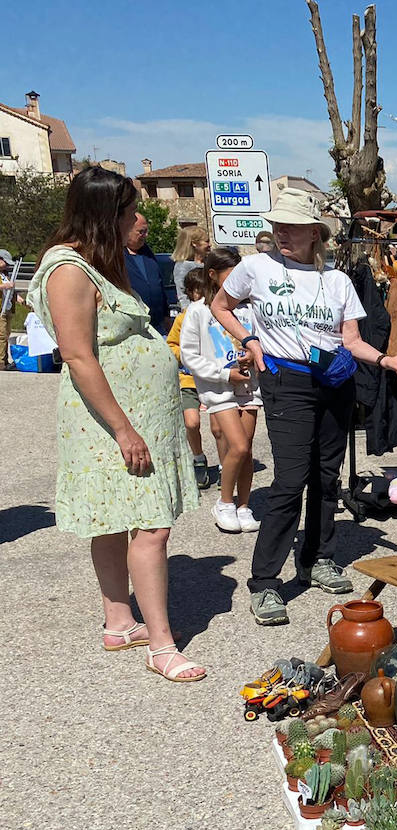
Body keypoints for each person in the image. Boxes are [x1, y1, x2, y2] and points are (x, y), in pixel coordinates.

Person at [210, 188, 397, 626]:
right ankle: (265, 582)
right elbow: (220, 305)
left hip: (335, 381)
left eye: (293, 227)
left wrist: (386, 360)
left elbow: (351, 340)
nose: (282, 233)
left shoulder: (339, 280)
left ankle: (317, 558)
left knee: (327, 476)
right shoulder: (255, 268)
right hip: (287, 381)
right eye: (278, 226)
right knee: (290, 480)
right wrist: (249, 340)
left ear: (314, 234)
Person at [26, 167, 203, 681]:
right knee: (151, 526)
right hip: (112, 422)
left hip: (131, 416)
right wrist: (125, 429)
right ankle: (162, 644)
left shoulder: (96, 263)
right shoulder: (68, 270)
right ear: (106, 213)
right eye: (128, 209)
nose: (137, 218)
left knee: (111, 519)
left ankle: (119, 622)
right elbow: (79, 357)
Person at [180, 257, 261, 533]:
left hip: (250, 386)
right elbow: (189, 356)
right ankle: (225, 502)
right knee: (236, 445)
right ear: (213, 275)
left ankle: (244, 505)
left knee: (246, 449)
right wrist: (225, 374)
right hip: (219, 389)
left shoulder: (249, 309)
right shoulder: (198, 311)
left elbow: (260, 340)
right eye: (231, 275)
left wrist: (253, 353)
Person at [164, 285, 213, 489]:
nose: (200, 296)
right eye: (197, 292)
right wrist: (187, 358)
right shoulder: (183, 318)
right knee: (191, 423)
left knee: (221, 429)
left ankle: (226, 466)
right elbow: (171, 344)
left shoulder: (217, 316)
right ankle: (198, 458)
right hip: (189, 379)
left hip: (214, 378)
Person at [124, 212, 173, 333]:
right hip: (133, 326)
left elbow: (160, 285)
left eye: (146, 231)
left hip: (157, 325)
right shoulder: (117, 256)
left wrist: (166, 315)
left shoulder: (147, 253)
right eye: (141, 232)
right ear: (128, 230)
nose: (146, 235)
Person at [171, 225, 211, 310]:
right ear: (194, 243)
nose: (210, 245)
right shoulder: (183, 266)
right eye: (206, 241)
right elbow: (182, 294)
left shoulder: (209, 262)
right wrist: (187, 313)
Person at [0, 249, 18, 371]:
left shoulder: (6, 275)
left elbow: (11, 292)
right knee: (1, 335)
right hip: (0, 310)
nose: (7, 265)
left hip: (8, 309)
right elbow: (6, 287)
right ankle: (0, 362)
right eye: (5, 262)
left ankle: (5, 359)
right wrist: (5, 286)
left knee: (6, 335)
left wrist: (22, 301)